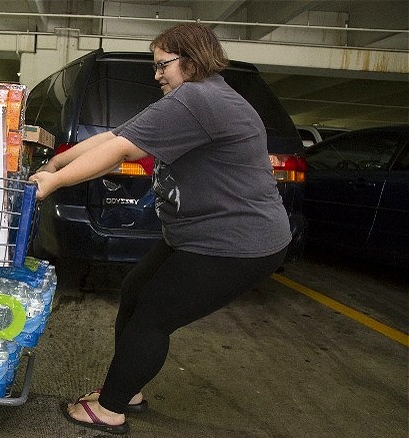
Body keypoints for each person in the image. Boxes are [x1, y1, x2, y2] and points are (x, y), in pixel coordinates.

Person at [29, 23, 292, 435]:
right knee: (135, 290)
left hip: (236, 243)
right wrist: (54, 165)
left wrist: (55, 183)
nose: (156, 76)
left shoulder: (199, 98)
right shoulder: (201, 97)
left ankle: (112, 407)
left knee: (152, 314)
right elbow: (114, 137)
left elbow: (119, 150)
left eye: (161, 65)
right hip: (198, 236)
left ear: (189, 60)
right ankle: (125, 388)